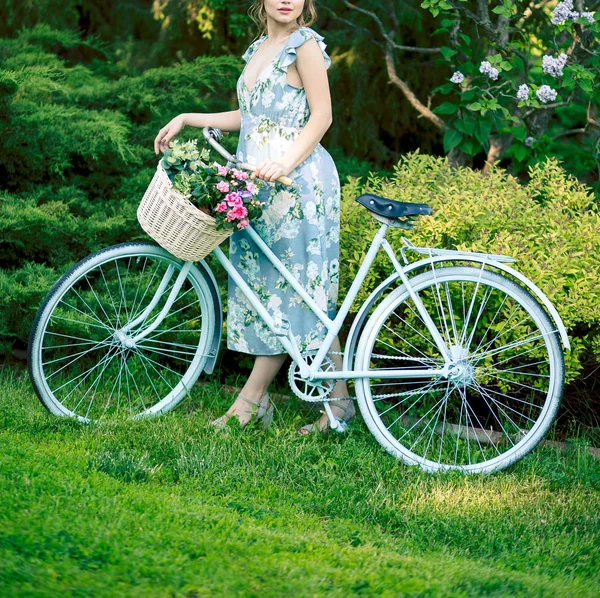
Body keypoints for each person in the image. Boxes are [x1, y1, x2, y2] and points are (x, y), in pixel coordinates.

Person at [153, 0, 354, 433]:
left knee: (290, 288)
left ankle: (251, 401)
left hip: (295, 183)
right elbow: (252, 118)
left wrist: (284, 163)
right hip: (256, 183)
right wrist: (188, 117)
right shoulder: (260, 48)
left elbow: (322, 116)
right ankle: (340, 405)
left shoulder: (305, 46)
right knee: (297, 290)